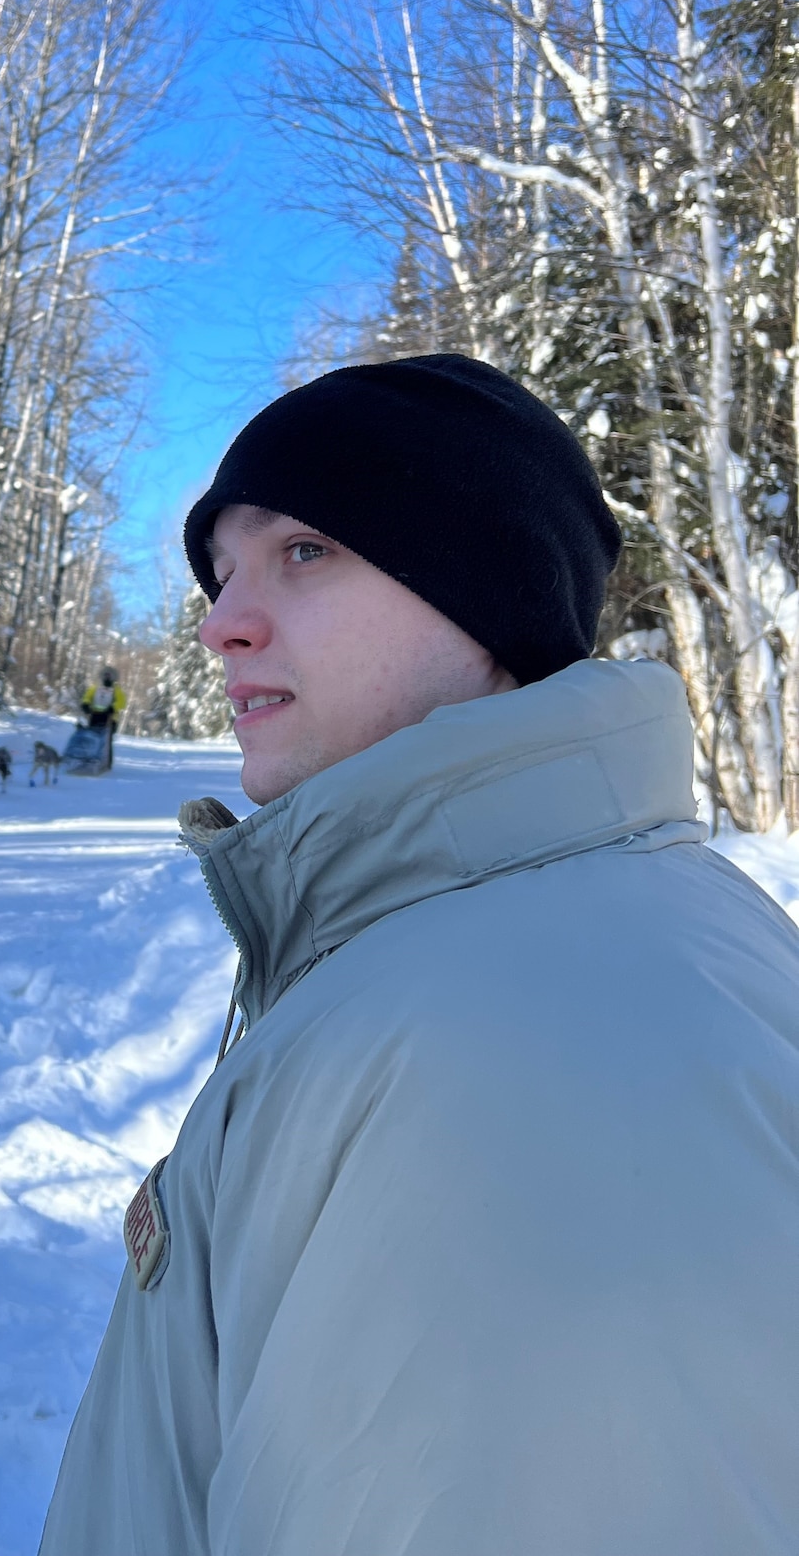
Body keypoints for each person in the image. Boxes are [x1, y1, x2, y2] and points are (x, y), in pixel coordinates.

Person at [39, 353, 799, 1556]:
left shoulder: (529, 1049)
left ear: (487, 599)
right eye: (224, 568)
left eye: (305, 550)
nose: (221, 620)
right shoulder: (496, 939)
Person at [80, 664, 127, 768]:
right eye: (105, 675)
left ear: (113, 677)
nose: (107, 678)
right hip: (95, 715)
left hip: (110, 718)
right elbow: (87, 696)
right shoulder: (95, 687)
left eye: (109, 676)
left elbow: (122, 702)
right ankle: (89, 759)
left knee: (106, 740)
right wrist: (86, 704)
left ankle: (106, 763)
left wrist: (113, 707)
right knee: (91, 738)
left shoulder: (116, 690)